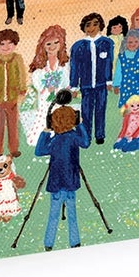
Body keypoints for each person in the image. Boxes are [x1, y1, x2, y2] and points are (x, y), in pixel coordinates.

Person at [35, 100, 92, 250]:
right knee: (72, 215)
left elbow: (39, 151)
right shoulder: (73, 137)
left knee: (53, 216)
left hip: (56, 184)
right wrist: (80, 125)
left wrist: (46, 132)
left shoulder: (55, 140)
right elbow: (86, 143)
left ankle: (48, 243)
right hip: (71, 182)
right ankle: (75, 242)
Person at [69, 12, 114, 145]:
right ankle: (86, 135)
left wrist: (109, 80)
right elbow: (75, 67)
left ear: (100, 26)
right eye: (88, 25)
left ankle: (100, 134)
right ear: (84, 28)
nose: (92, 28)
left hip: (101, 84)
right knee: (86, 111)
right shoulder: (78, 46)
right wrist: (74, 86)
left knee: (101, 108)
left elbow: (108, 63)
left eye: (95, 24)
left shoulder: (107, 43)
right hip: (86, 85)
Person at [26, 24, 70, 147]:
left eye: (56, 43)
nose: (52, 47)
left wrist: (59, 88)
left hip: (60, 95)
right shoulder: (41, 64)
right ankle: (43, 138)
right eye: (48, 44)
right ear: (43, 46)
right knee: (45, 114)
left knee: (60, 115)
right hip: (45, 96)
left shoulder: (64, 63)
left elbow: (67, 79)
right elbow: (36, 79)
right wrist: (45, 88)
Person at [0, 28, 28, 158]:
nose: (6, 47)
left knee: (13, 125)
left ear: (15, 44)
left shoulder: (17, 59)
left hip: (12, 98)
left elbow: (22, 75)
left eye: (10, 43)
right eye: (2, 44)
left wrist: (22, 91)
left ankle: (14, 149)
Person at [114, 26, 139, 109]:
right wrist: (116, 85)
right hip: (125, 84)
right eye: (130, 42)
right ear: (125, 43)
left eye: (136, 42)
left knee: (136, 103)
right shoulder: (121, 56)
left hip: (137, 82)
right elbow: (118, 71)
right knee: (125, 104)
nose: (133, 44)